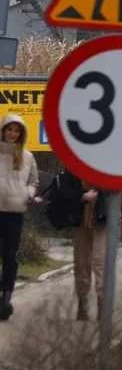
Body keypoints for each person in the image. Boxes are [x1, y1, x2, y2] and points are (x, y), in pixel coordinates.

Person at [0, 114, 39, 321]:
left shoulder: (28, 157)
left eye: (16, 130)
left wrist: (29, 194)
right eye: (9, 129)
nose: (12, 134)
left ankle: (6, 295)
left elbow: (34, 181)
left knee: (9, 256)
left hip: (15, 212)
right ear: (3, 130)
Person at [74, 177, 107, 321]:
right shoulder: (75, 163)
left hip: (101, 218)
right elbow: (67, 188)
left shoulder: (107, 164)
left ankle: (102, 302)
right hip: (80, 218)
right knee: (81, 262)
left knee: (100, 260)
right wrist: (82, 196)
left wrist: (100, 192)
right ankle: (82, 302)